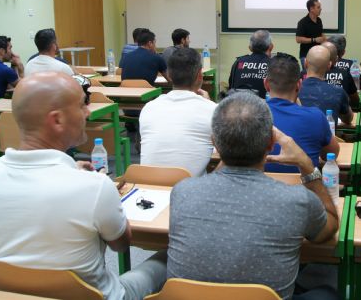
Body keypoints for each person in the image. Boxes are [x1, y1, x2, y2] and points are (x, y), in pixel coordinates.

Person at [0, 72, 167, 300]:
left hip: (4, 295)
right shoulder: (95, 186)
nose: (87, 112)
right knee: (168, 257)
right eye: (81, 106)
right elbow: (122, 244)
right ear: (57, 120)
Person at [167, 93, 339, 300]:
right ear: (270, 144)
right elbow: (329, 227)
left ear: (215, 143)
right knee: (327, 293)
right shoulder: (298, 200)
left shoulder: (183, 192)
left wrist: (227, 151)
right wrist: (307, 165)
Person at [139, 48, 215, 177]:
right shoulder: (212, 110)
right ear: (200, 75)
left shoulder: (148, 108)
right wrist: (210, 104)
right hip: (189, 193)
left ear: (169, 75)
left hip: (148, 189)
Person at [263, 53, 339, 173]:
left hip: (259, 190)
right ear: (299, 84)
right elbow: (331, 154)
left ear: (266, 84)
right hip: (305, 189)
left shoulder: (250, 116)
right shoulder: (315, 117)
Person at [299, 46, 353, 126]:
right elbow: (348, 119)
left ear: (305, 63)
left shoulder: (293, 90)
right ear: (329, 65)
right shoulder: (338, 92)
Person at [228, 29, 272, 98]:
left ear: (250, 48)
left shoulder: (239, 62)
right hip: (263, 107)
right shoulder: (273, 65)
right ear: (270, 47)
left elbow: (231, 88)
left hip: (238, 105)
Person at [320, 41, 359, 108]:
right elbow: (355, 100)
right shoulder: (346, 73)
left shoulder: (309, 75)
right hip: (342, 113)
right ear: (336, 59)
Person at [295, 0, 325, 65]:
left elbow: (321, 34)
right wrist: (314, 40)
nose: (321, 9)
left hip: (318, 54)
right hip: (306, 55)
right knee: (307, 75)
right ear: (311, 9)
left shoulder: (319, 20)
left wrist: (327, 41)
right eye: (318, 7)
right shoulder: (302, 22)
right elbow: (298, 39)